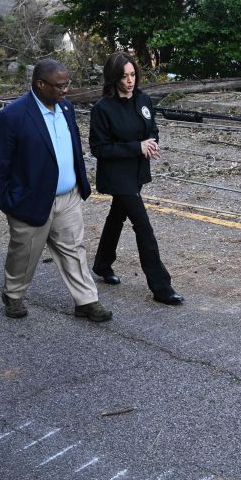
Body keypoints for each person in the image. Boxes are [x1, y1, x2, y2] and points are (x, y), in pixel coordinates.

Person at [0, 58, 111, 322]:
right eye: (59, 85)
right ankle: (14, 295)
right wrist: (7, 200)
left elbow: (73, 146)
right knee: (25, 253)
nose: (65, 90)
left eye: (67, 84)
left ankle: (86, 301)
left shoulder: (65, 108)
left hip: (68, 197)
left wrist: (80, 183)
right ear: (40, 84)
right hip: (29, 200)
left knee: (74, 249)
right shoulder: (12, 116)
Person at [89, 52, 184, 306]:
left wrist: (152, 143)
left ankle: (102, 264)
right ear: (113, 77)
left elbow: (151, 128)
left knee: (116, 217)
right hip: (117, 175)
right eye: (124, 76)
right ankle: (161, 287)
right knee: (143, 227)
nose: (129, 81)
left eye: (132, 75)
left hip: (137, 172)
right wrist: (136, 147)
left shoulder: (142, 99)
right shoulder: (102, 109)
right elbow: (99, 149)